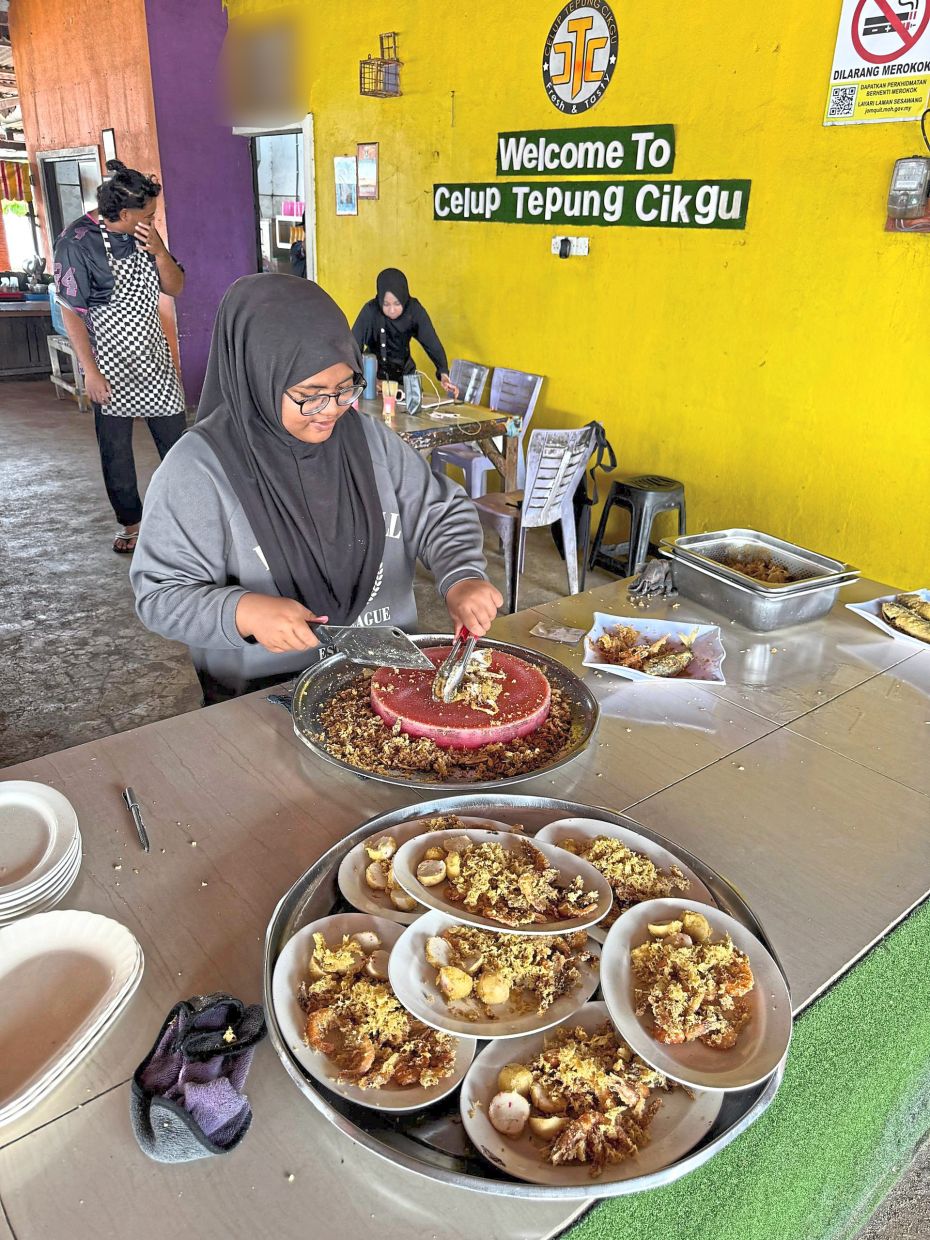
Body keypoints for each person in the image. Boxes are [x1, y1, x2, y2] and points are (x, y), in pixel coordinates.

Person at [130, 274, 502, 704]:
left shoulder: (369, 442)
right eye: (311, 395)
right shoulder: (198, 470)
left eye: (345, 389)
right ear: (257, 377)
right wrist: (243, 611)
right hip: (260, 698)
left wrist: (462, 576)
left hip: (387, 682)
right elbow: (160, 594)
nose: (331, 411)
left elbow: (441, 512)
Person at [54, 160, 186, 554]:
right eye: (147, 215)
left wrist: (160, 251)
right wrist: (89, 372)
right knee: (116, 451)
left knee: (179, 444)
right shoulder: (76, 243)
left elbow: (175, 287)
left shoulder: (146, 234)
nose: (153, 219)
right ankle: (132, 523)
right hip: (108, 360)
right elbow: (71, 312)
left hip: (153, 356)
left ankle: (186, 515)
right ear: (124, 214)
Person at [352, 268, 458, 395]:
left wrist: (444, 374)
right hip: (374, 381)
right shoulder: (370, 311)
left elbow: (432, 343)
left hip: (404, 377)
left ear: (404, 298)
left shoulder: (414, 310)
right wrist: (363, 378)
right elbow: (353, 347)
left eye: (397, 304)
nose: (392, 310)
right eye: (386, 304)